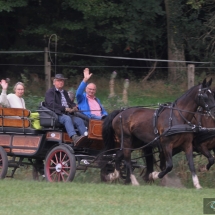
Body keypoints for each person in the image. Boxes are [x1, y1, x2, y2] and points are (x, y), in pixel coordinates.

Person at [45, 73, 88, 145]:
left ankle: (85, 137)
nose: (61, 82)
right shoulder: (50, 92)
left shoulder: (64, 92)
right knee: (67, 119)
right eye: (58, 81)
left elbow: (70, 102)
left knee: (79, 120)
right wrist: (64, 109)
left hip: (66, 114)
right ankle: (74, 137)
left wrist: (74, 107)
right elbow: (51, 104)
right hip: (56, 114)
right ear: (54, 82)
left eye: (62, 81)